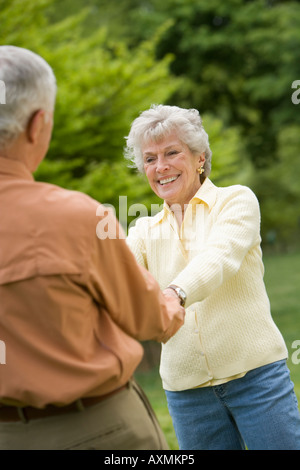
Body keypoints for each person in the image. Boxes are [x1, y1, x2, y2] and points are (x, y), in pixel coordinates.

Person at [0, 47, 185, 450]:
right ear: (38, 124)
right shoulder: (76, 217)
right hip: (97, 430)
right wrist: (173, 302)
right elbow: (150, 319)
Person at [125, 104, 300, 450]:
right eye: (149, 158)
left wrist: (174, 292)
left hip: (257, 381)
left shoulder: (235, 201)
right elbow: (118, 280)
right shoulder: (143, 230)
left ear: (199, 158)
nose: (160, 167)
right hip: (187, 395)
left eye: (172, 152)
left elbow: (219, 257)